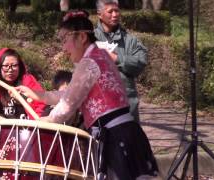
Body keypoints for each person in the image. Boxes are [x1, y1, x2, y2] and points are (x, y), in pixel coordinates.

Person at [16, 10, 158, 179]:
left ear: (82, 37)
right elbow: (71, 94)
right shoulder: (101, 56)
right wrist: (40, 95)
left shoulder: (89, 62)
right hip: (128, 132)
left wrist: (47, 120)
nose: (63, 48)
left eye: (64, 40)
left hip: (115, 136)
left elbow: (67, 105)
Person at [94, 0, 148, 123]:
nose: (114, 15)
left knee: (131, 139)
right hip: (99, 104)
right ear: (99, 14)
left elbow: (141, 62)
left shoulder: (130, 40)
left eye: (117, 10)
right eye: (110, 11)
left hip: (127, 105)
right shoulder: (90, 38)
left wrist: (116, 58)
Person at [0, 48, 46, 120]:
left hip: (29, 127)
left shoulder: (28, 81)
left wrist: (24, 101)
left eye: (14, 65)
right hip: (3, 129)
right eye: (6, 66)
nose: (10, 70)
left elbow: (41, 105)